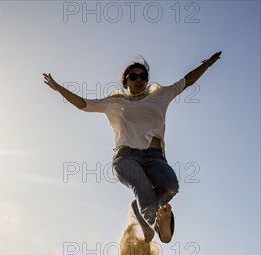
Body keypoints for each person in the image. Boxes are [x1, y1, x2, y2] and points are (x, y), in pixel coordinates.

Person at [43, 52, 221, 243]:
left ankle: (140, 210)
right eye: (133, 76)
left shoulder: (159, 96)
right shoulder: (114, 102)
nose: (139, 79)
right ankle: (157, 226)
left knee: (170, 186)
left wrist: (208, 64)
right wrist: (58, 88)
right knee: (143, 186)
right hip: (126, 158)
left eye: (143, 76)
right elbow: (84, 104)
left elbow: (186, 82)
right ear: (125, 82)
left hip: (155, 157)